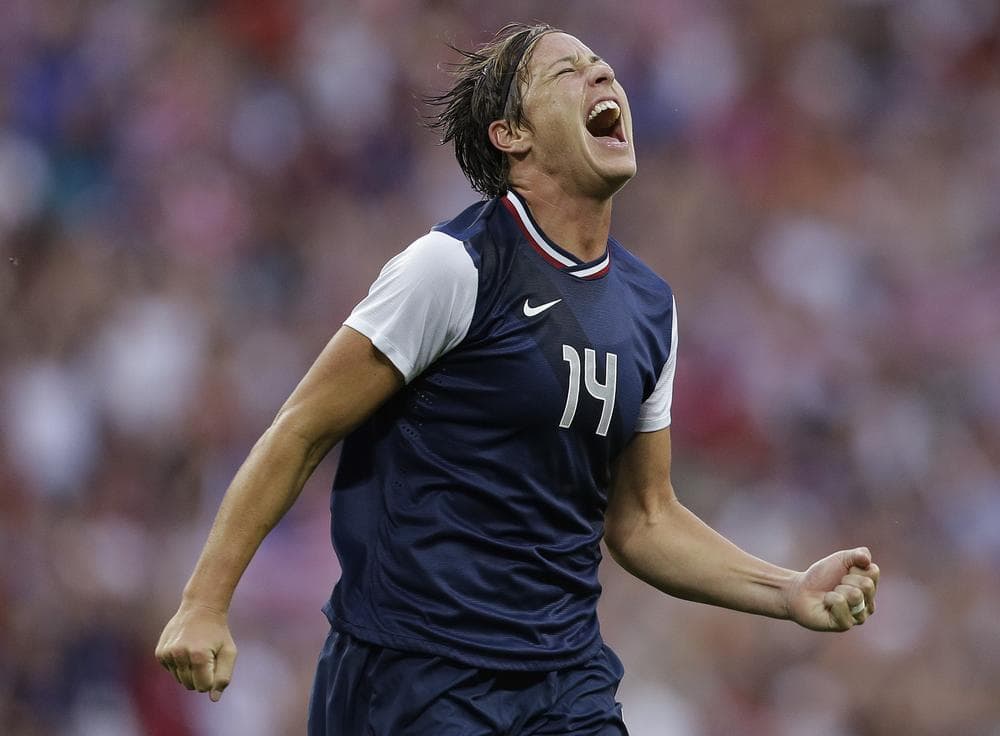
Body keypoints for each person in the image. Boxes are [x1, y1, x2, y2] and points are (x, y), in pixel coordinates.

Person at [155, 23, 880, 735]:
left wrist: (787, 591)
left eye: (603, 65)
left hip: (562, 683)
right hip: (414, 676)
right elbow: (303, 429)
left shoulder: (650, 307)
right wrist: (204, 601)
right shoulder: (454, 266)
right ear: (512, 135)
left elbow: (644, 518)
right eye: (567, 73)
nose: (602, 76)